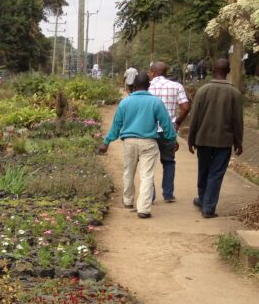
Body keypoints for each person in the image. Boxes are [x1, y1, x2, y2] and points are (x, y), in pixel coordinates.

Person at [97, 72, 177, 218]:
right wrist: (172, 139)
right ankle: (144, 209)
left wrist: (106, 142)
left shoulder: (125, 102)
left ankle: (128, 201)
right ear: (149, 86)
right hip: (149, 142)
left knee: (129, 172)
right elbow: (166, 124)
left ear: (133, 85)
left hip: (129, 142)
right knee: (147, 175)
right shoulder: (156, 102)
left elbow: (116, 126)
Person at [186, 58, 245, 219]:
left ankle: (203, 199)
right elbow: (237, 121)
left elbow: (195, 118)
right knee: (216, 174)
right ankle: (208, 207)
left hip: (203, 139)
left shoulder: (203, 91)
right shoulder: (235, 93)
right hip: (223, 141)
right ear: (228, 72)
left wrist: (190, 140)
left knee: (203, 171)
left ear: (212, 70)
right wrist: (238, 142)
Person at [148, 61, 190, 203]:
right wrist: (177, 122)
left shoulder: (147, 87)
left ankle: (150, 196)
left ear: (152, 72)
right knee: (169, 162)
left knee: (148, 164)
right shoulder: (176, 86)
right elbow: (185, 107)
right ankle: (168, 194)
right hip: (169, 131)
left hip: (150, 131)